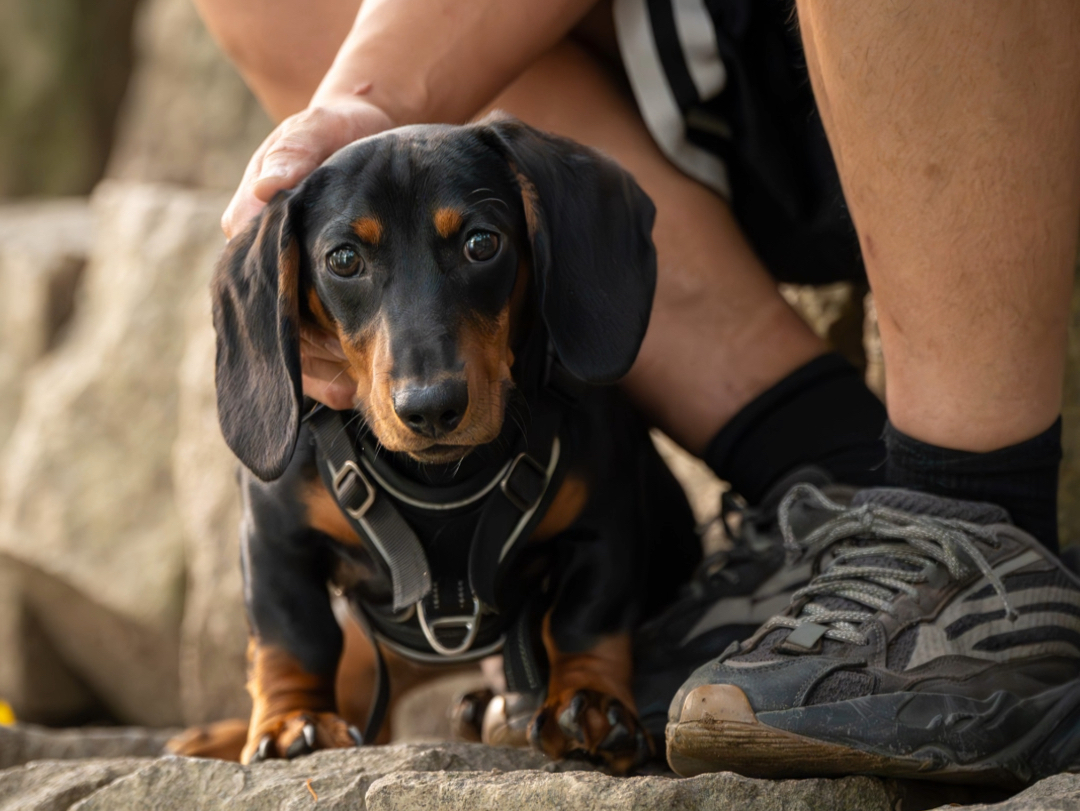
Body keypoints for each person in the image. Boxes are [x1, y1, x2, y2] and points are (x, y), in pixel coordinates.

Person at [194, 0, 1080, 782]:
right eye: (346, 262)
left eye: (478, 248)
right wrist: (362, 108)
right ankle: (828, 470)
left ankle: (969, 514)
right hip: (703, 84)